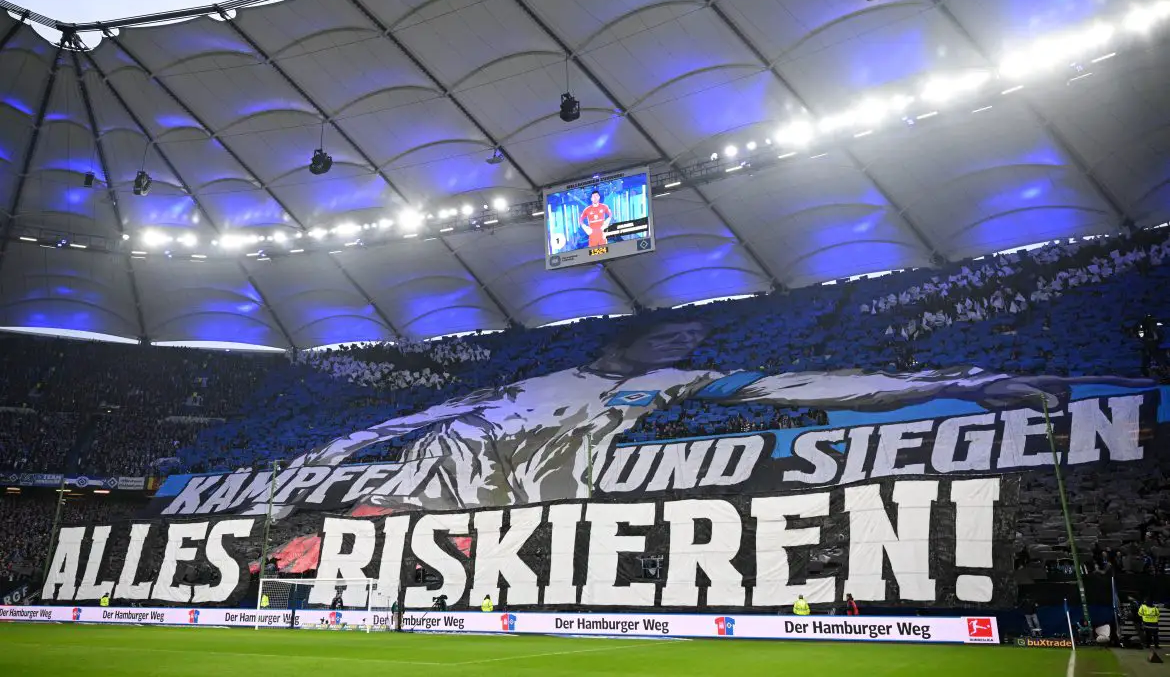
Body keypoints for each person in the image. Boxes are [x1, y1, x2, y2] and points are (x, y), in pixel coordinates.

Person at [265, 318, 1151, 516]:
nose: (688, 345)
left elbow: (805, 389)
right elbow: (395, 425)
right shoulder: (524, 384)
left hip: (526, 513)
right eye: (677, 333)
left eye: (694, 339)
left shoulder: (668, 389)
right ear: (635, 337)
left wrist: (963, 382)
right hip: (421, 505)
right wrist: (315, 459)